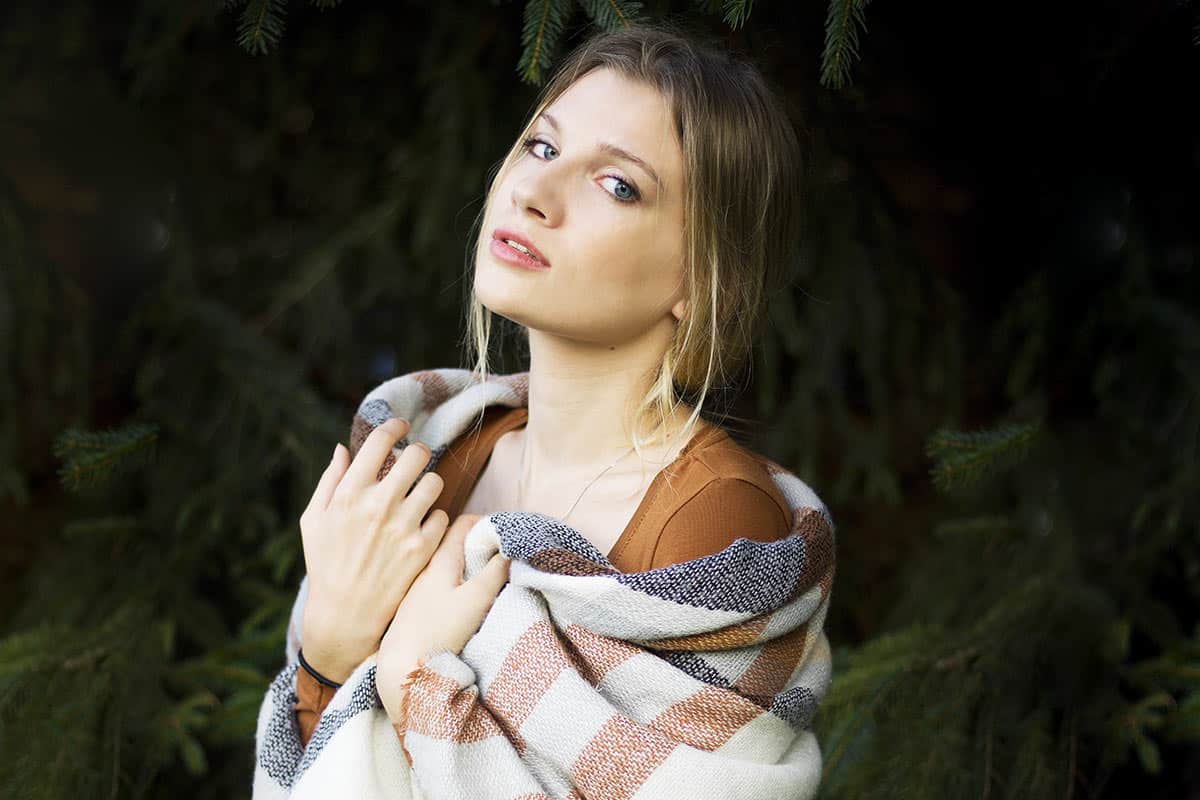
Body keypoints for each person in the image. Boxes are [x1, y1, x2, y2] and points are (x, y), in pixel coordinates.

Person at [265, 20, 828, 798]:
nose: (533, 193)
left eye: (617, 184)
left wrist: (415, 682)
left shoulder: (713, 520)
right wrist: (328, 652)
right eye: (541, 147)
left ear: (702, 280)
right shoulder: (436, 454)